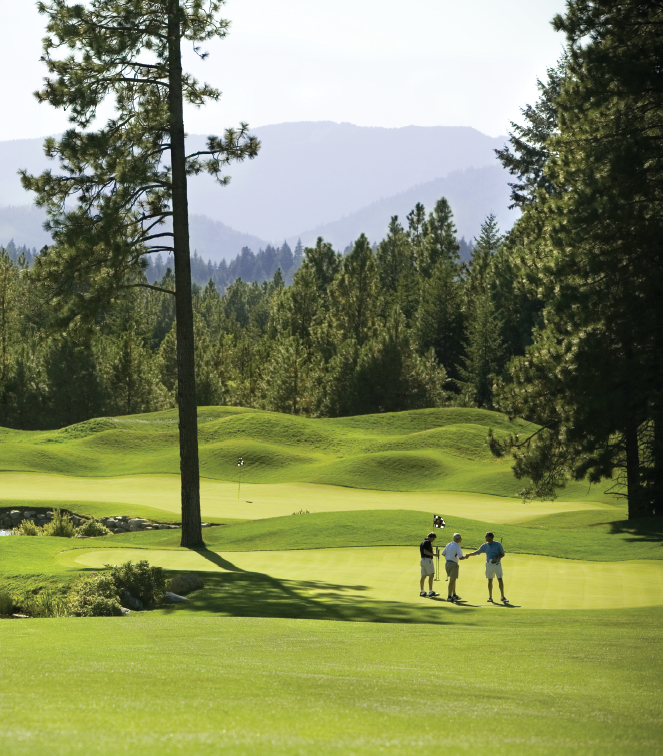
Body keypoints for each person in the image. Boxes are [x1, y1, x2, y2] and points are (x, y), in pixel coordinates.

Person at [466, 532, 508, 603]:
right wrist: (469, 554)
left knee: (500, 579)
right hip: (489, 564)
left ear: (491, 537)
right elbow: (477, 552)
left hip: (497, 564)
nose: (485, 538)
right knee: (490, 580)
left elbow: (502, 554)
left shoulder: (498, 544)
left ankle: (502, 596)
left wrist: (497, 557)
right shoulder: (485, 545)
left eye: (487, 537)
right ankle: (490, 597)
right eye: (485, 537)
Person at [442, 533, 465, 602]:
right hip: (453, 564)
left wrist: (450, 556)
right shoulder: (457, 546)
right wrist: (466, 557)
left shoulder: (448, 544)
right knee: (452, 581)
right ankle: (449, 596)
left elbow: (443, 553)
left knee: (453, 580)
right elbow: (460, 557)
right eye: (460, 538)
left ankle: (454, 595)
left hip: (447, 563)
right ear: (457, 539)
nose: (461, 539)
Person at [419, 532, 440, 597]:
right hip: (428, 560)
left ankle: (422, 591)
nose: (433, 540)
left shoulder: (423, 542)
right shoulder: (427, 542)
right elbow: (425, 551)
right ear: (431, 537)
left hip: (422, 560)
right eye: (433, 539)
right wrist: (434, 554)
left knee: (423, 576)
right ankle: (431, 591)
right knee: (431, 575)